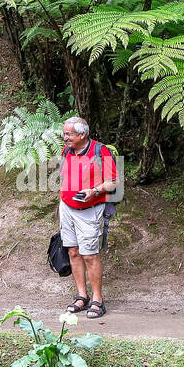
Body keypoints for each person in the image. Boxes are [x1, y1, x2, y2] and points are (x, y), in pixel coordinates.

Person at [59, 117, 118, 320]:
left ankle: (98, 300)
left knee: (89, 254)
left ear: (82, 135)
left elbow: (114, 182)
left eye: (69, 134)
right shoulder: (67, 150)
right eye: (65, 133)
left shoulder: (100, 151)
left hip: (90, 209)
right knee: (73, 251)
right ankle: (82, 296)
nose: (65, 137)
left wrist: (94, 191)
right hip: (67, 207)